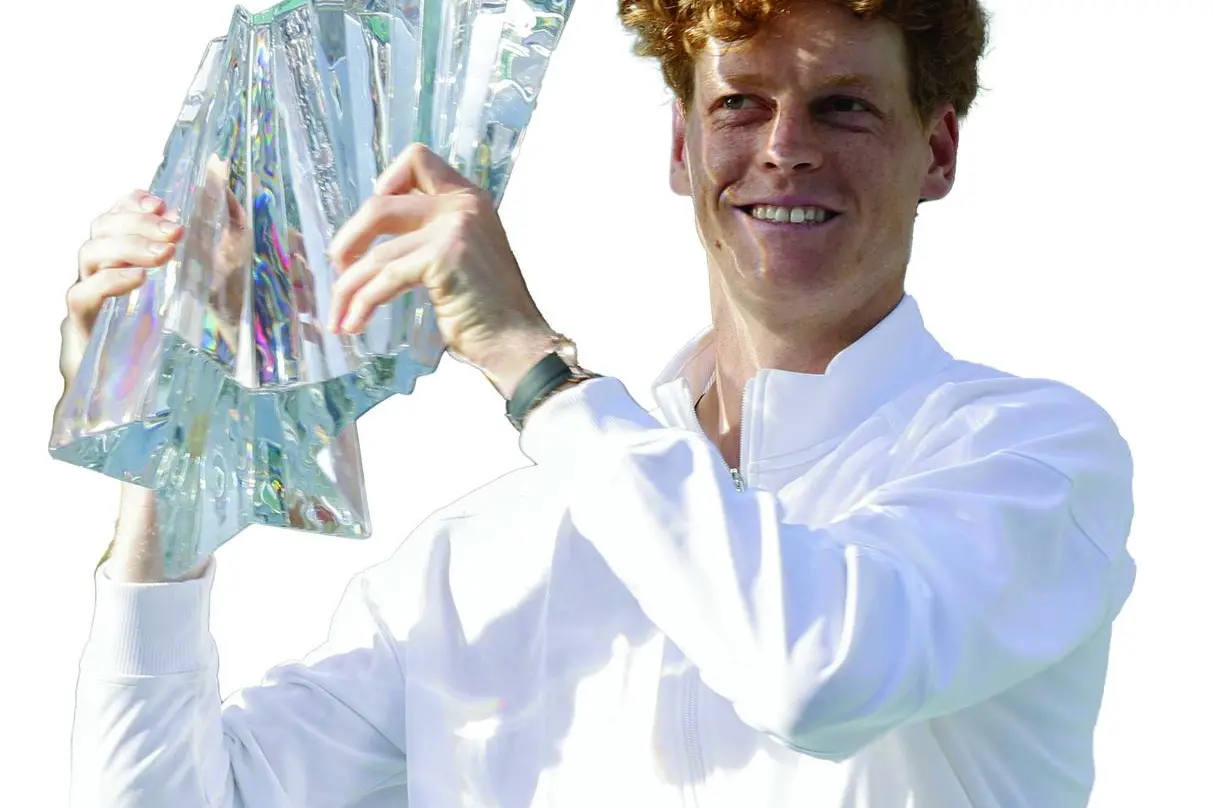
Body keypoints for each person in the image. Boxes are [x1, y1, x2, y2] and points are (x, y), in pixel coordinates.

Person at [61, 1, 1136, 806]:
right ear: (680, 146)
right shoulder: (480, 552)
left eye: (843, 106)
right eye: (740, 103)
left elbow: (812, 673)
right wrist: (169, 426)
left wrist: (530, 364)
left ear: (936, 151)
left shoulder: (1029, 456)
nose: (783, 146)